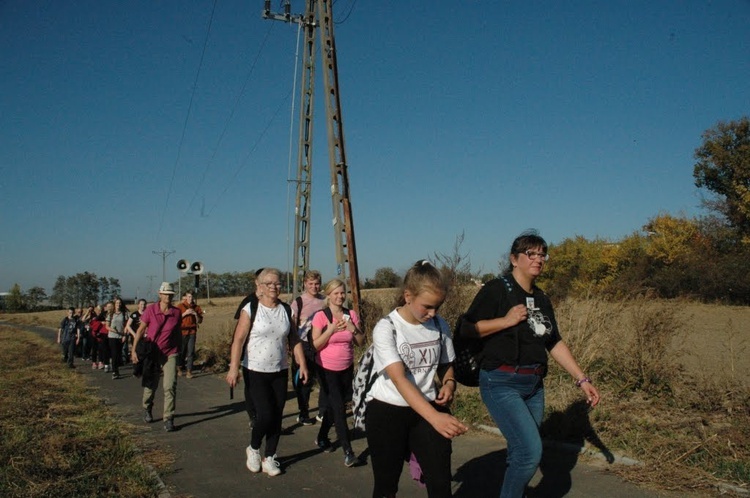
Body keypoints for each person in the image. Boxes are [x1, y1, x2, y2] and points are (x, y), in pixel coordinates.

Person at [458, 231, 601, 498]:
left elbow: (553, 341)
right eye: (531, 254)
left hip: (534, 385)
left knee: (520, 453)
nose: (538, 259)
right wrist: (506, 321)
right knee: (530, 453)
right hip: (501, 382)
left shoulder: (542, 298)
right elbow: (466, 329)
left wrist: (582, 379)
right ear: (514, 259)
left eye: (542, 254)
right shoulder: (496, 290)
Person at [366, 260, 467, 498]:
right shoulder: (386, 328)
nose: (432, 313)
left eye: (437, 307)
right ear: (407, 296)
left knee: (441, 484)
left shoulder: (440, 325)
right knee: (386, 486)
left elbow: (446, 365)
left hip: (427, 407)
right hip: (388, 410)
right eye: (427, 307)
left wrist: (450, 382)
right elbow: (400, 380)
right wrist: (436, 418)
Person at [226, 268, 309, 477]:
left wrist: (302, 363)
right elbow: (238, 340)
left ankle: (269, 456)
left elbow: (293, 339)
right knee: (265, 414)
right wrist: (233, 368)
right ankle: (253, 448)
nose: (274, 287)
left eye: (278, 283)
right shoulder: (250, 308)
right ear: (260, 287)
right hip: (255, 369)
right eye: (269, 283)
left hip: (279, 369)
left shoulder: (286, 310)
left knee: (277, 415)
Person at [310, 278, 365, 467]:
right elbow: (315, 344)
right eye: (336, 293)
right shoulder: (321, 316)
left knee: (336, 405)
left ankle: (322, 436)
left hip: (346, 367)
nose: (340, 296)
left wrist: (353, 329)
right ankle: (348, 452)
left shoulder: (351, 314)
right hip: (326, 368)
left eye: (343, 293)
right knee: (339, 409)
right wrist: (331, 330)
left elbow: (360, 341)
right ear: (328, 295)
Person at [131, 282, 182, 432]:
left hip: (170, 352)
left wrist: (180, 352)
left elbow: (178, 333)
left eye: (170, 294)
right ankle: (147, 408)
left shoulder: (176, 312)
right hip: (153, 352)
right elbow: (140, 330)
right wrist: (134, 350)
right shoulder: (150, 310)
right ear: (160, 295)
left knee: (170, 385)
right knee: (150, 385)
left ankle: (169, 418)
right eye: (165, 294)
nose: (168, 296)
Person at [290, 269, 327, 425]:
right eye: (310, 284)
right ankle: (303, 413)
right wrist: (292, 346)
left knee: (325, 380)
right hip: (303, 345)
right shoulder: (298, 302)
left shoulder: (325, 300)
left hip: (322, 344)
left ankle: (323, 412)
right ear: (305, 284)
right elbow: (291, 325)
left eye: (317, 283)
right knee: (304, 381)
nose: (314, 287)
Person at [177, 291, 204, 378]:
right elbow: (176, 319)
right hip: (182, 332)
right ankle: (180, 367)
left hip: (192, 331)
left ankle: (189, 371)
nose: (190, 299)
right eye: (189, 297)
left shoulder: (196, 307)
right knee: (182, 351)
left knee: (191, 351)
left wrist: (195, 314)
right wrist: (185, 313)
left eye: (192, 297)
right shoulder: (180, 306)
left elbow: (200, 321)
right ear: (185, 297)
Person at [107, 297, 128, 379]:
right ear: (114, 304)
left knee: (118, 354)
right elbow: (107, 326)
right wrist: (114, 330)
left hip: (121, 336)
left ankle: (116, 370)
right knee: (114, 354)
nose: (118, 304)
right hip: (112, 336)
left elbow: (126, 325)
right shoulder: (111, 314)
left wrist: (124, 335)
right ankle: (114, 372)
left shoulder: (124, 313)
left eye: (119, 303)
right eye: (116, 303)